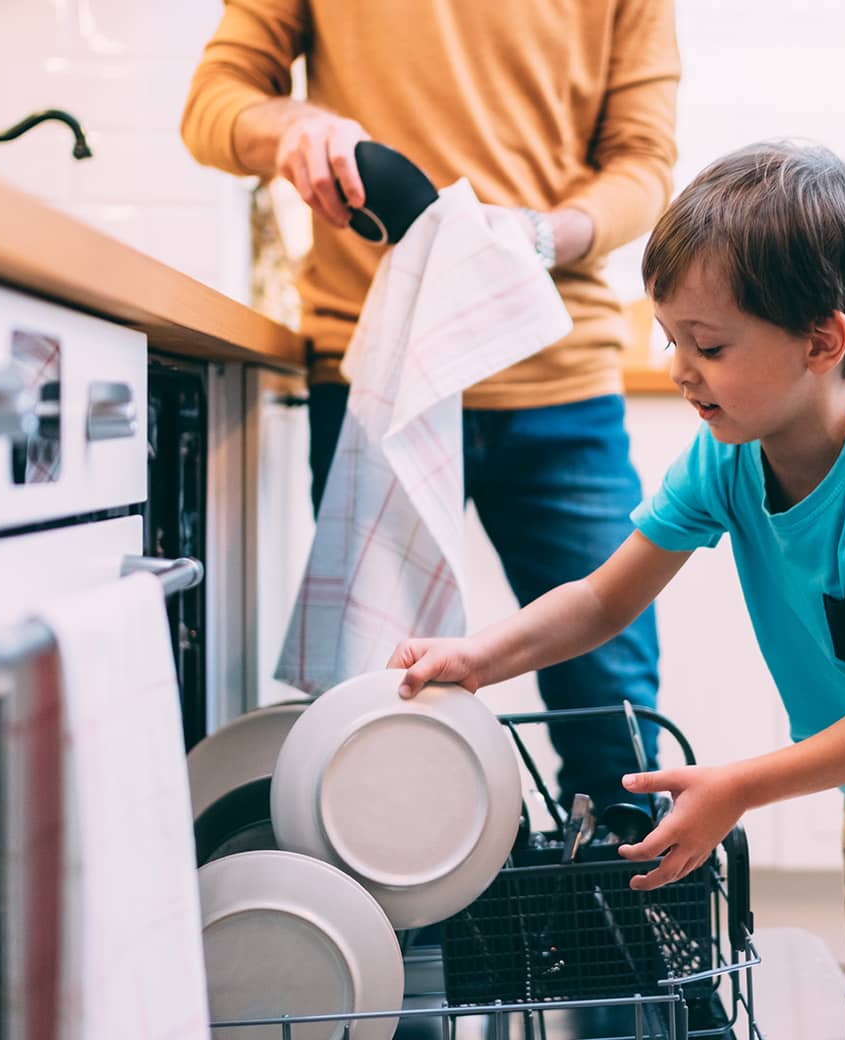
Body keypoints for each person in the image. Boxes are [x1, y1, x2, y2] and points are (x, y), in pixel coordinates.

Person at [388, 140, 845, 1040]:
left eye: (707, 344)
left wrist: (739, 787)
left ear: (822, 342)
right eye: (670, 336)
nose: (679, 368)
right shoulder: (729, 454)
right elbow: (602, 600)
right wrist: (481, 654)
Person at [180, 0, 680, 812]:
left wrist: (541, 236)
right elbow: (213, 102)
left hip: (557, 377)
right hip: (380, 375)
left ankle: (612, 926)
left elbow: (645, 164)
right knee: (377, 707)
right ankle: (396, 940)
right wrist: (293, 128)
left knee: (612, 726)